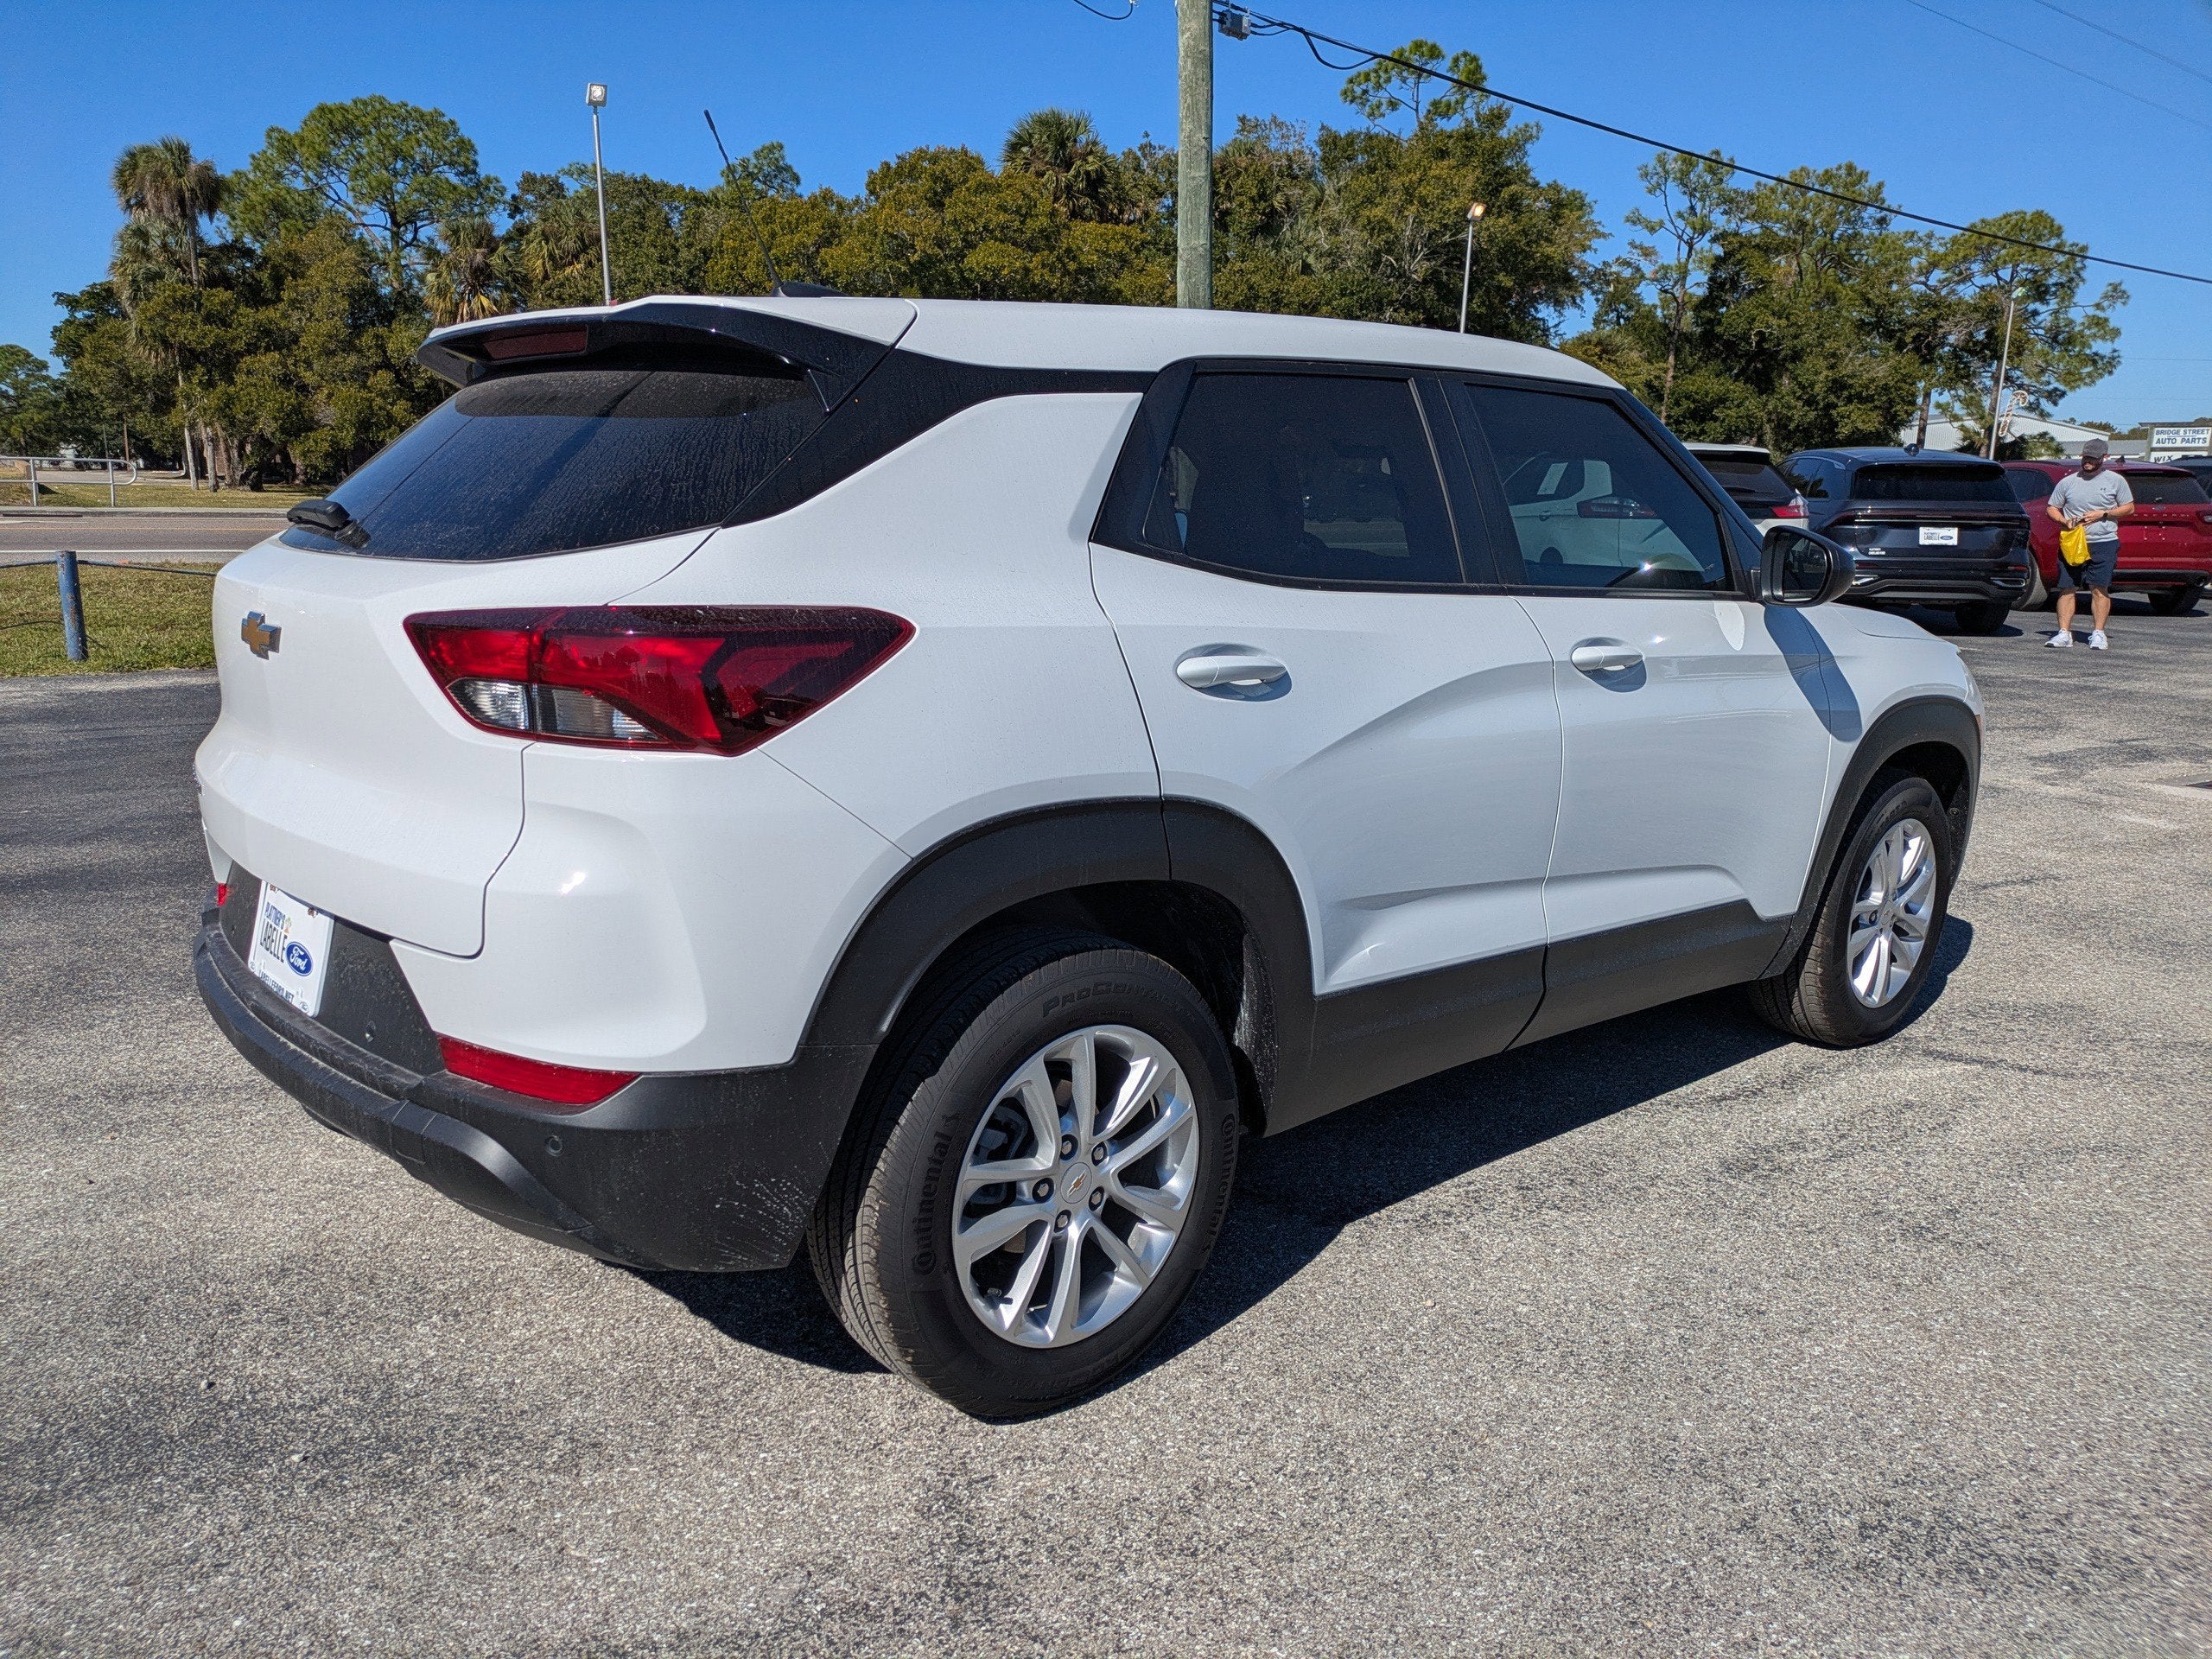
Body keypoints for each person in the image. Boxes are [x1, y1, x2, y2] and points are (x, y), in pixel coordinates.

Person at [2045, 438, 2133, 650]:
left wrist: (2104, 513)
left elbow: (2129, 508)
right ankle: (2064, 634)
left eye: (2093, 459)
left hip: (2103, 542)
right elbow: (2051, 507)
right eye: (2086, 458)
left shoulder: (2116, 481)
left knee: (2099, 588)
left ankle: (2098, 633)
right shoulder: (2068, 482)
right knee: (2067, 588)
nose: (2088, 462)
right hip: (2073, 541)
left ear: (2104, 458)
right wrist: (2064, 520)